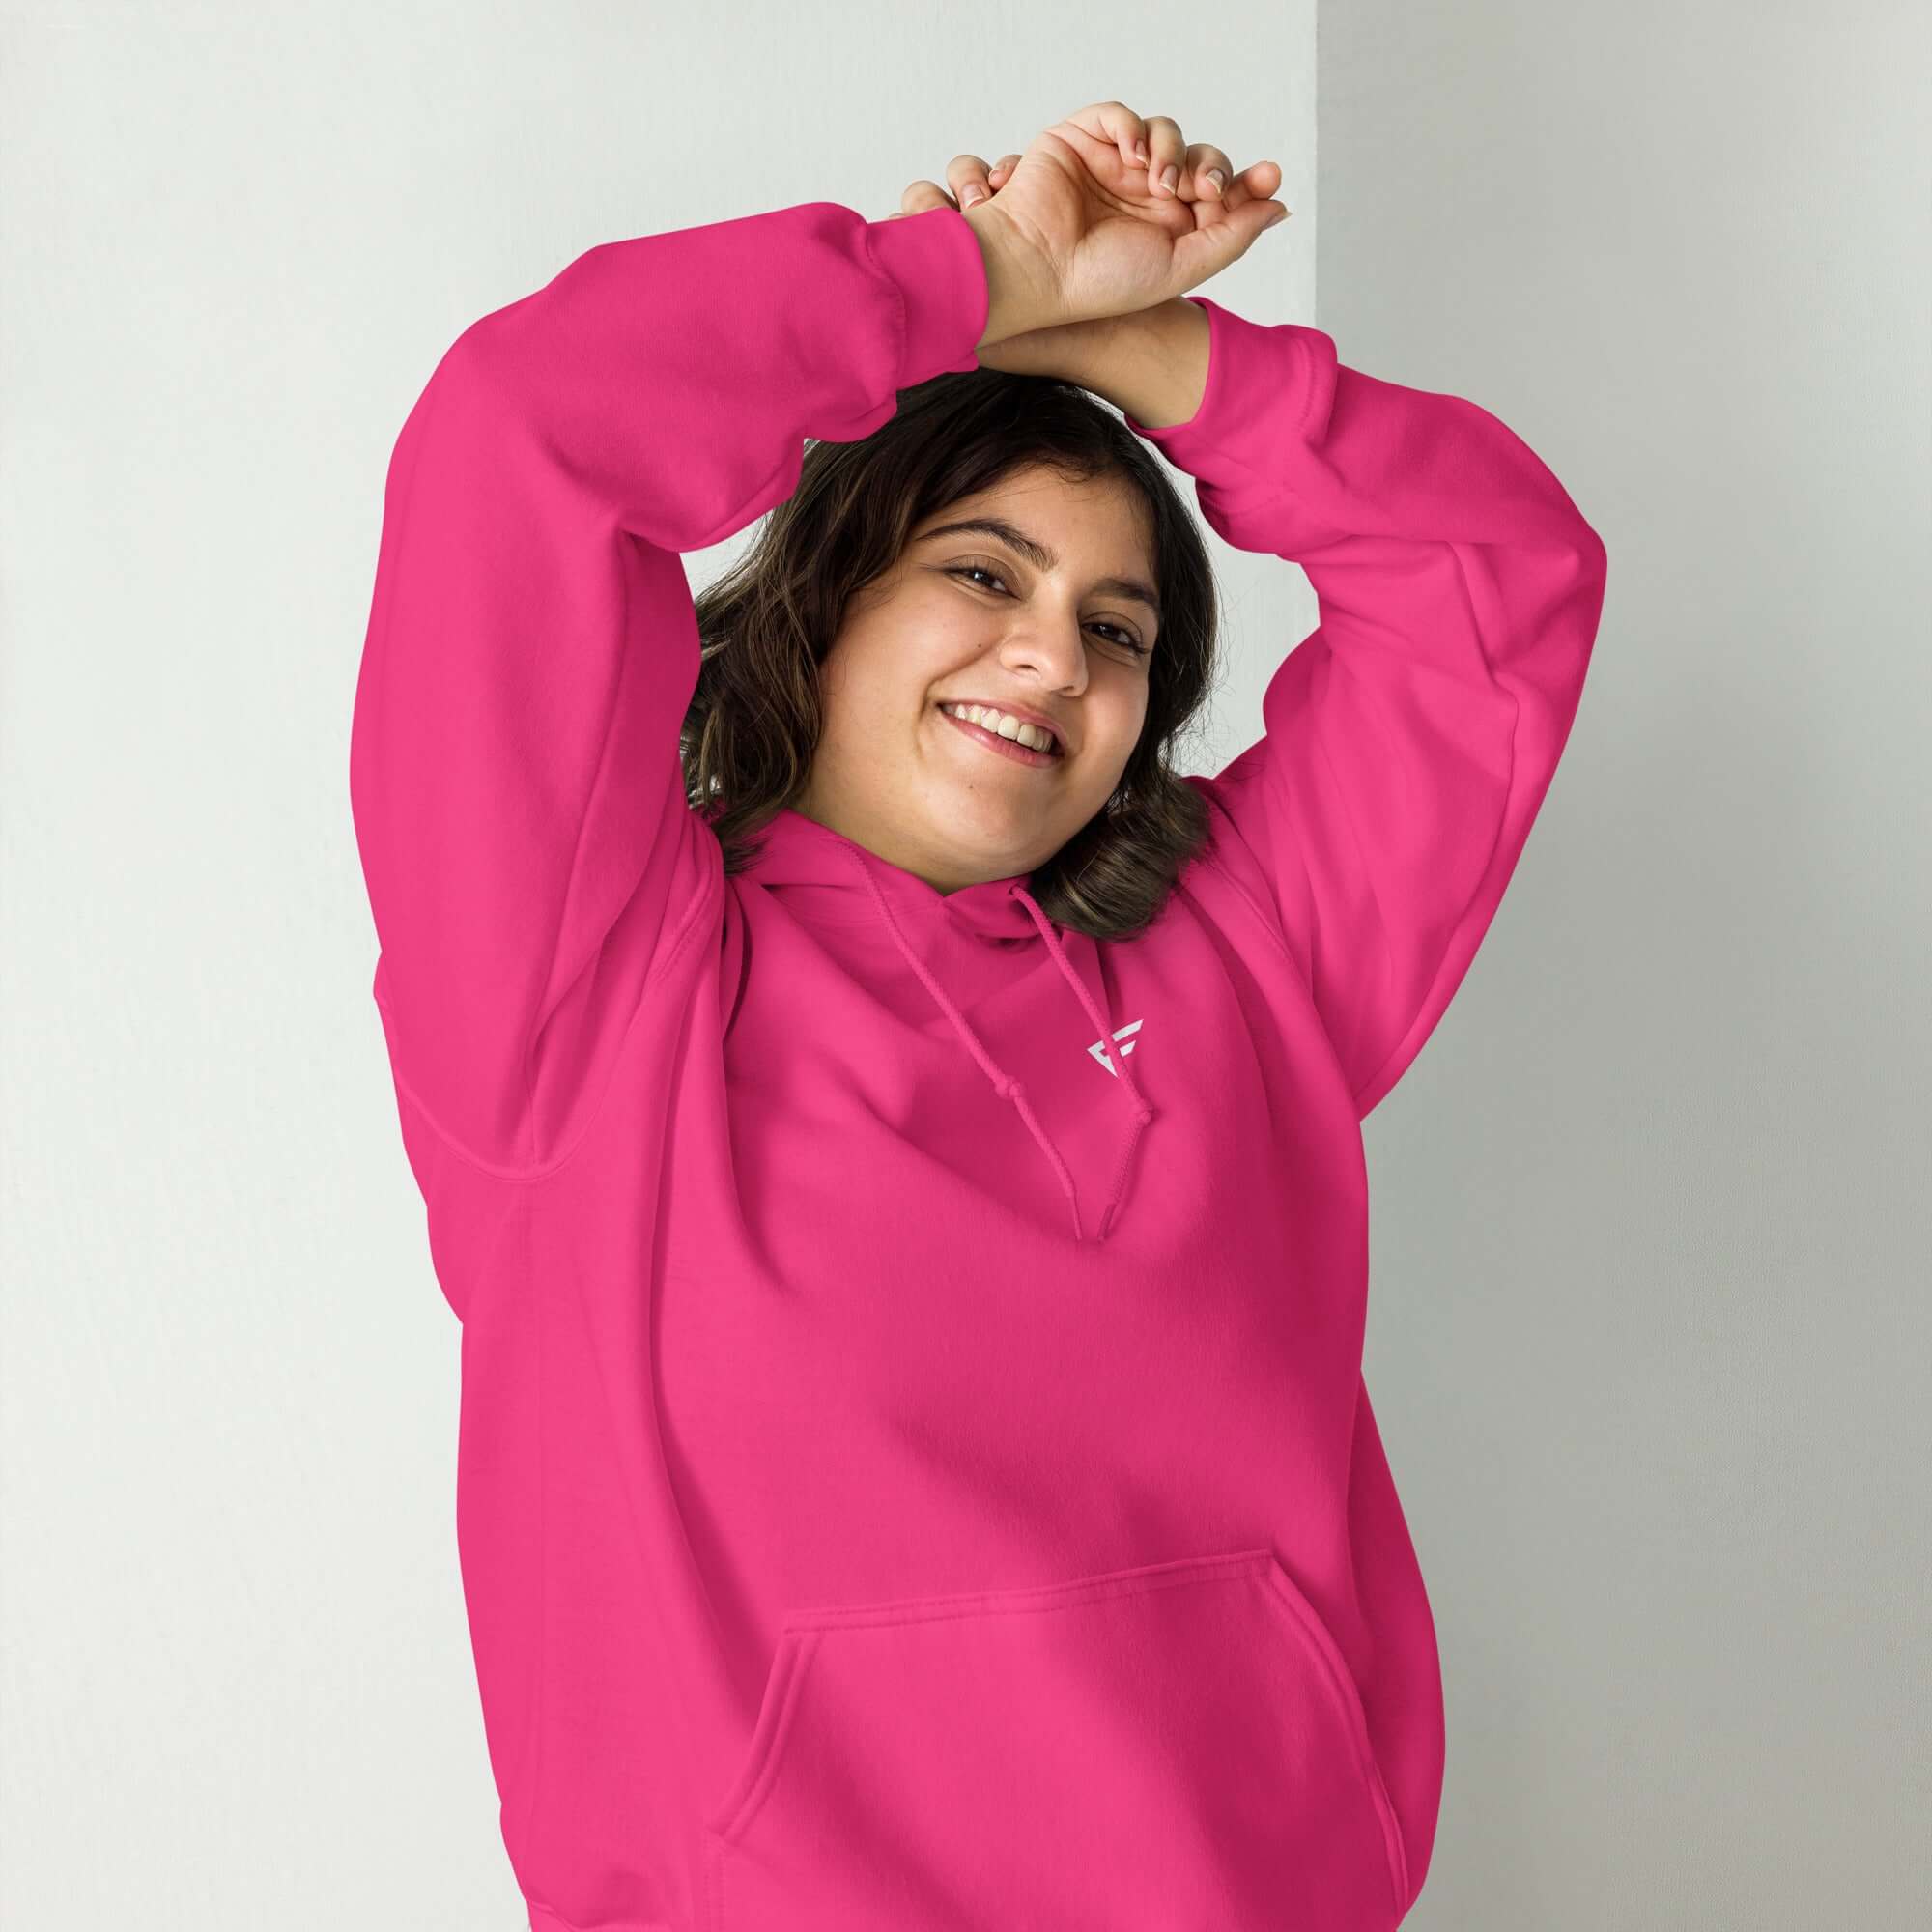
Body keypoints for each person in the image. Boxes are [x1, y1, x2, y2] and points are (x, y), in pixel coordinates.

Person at [349, 99, 1607, 1932]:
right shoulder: (588, 1004)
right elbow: (524, 433)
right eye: (982, 573)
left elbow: (1495, 583)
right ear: (829, 609)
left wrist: (1150, 354)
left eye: (1118, 629)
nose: (1053, 657)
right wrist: (967, 284)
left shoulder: (1245, 961)